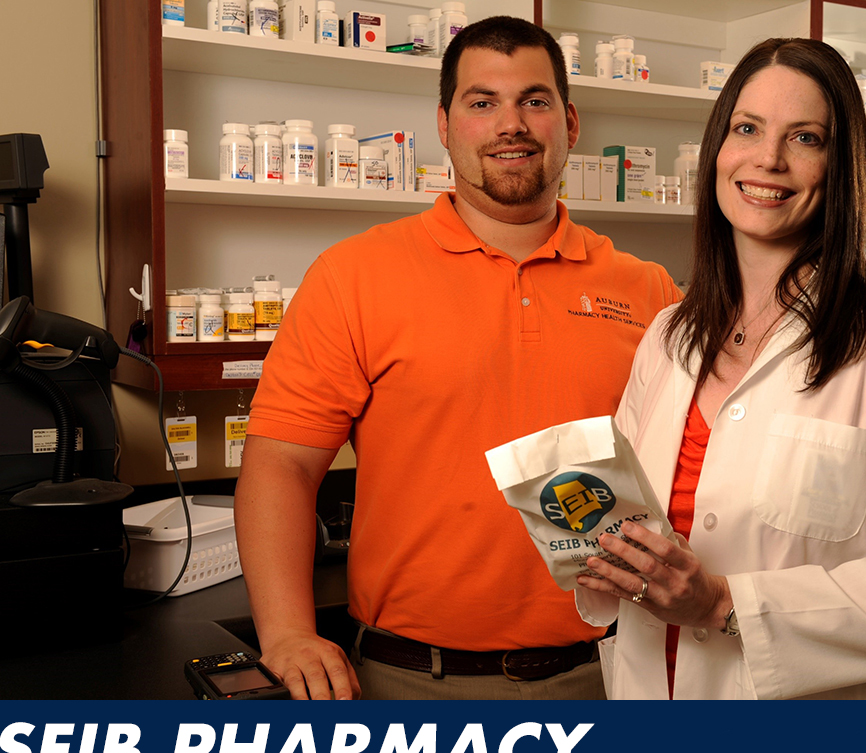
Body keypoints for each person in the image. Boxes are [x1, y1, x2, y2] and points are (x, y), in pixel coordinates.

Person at [235, 16, 680, 700]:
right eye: (482, 102)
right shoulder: (354, 276)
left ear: (570, 122)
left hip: (612, 671)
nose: (512, 124)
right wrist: (289, 633)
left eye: (534, 101)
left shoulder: (645, 288)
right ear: (444, 124)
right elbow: (281, 463)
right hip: (414, 680)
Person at [574, 38, 866, 700]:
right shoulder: (669, 336)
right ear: (717, 151)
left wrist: (720, 603)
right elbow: (633, 522)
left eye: (805, 137)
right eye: (747, 128)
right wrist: (606, 562)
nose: (768, 158)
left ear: (839, 165)